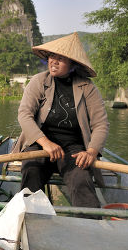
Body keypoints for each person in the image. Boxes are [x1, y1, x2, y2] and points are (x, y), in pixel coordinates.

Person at [12, 32, 109, 208]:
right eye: (51, 56)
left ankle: (90, 227)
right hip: (40, 145)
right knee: (31, 171)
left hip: (73, 149)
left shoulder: (87, 87)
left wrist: (92, 152)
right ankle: (30, 219)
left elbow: (100, 124)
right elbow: (24, 115)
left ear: (73, 64)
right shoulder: (39, 81)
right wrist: (46, 143)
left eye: (61, 58)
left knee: (81, 180)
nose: (53, 61)